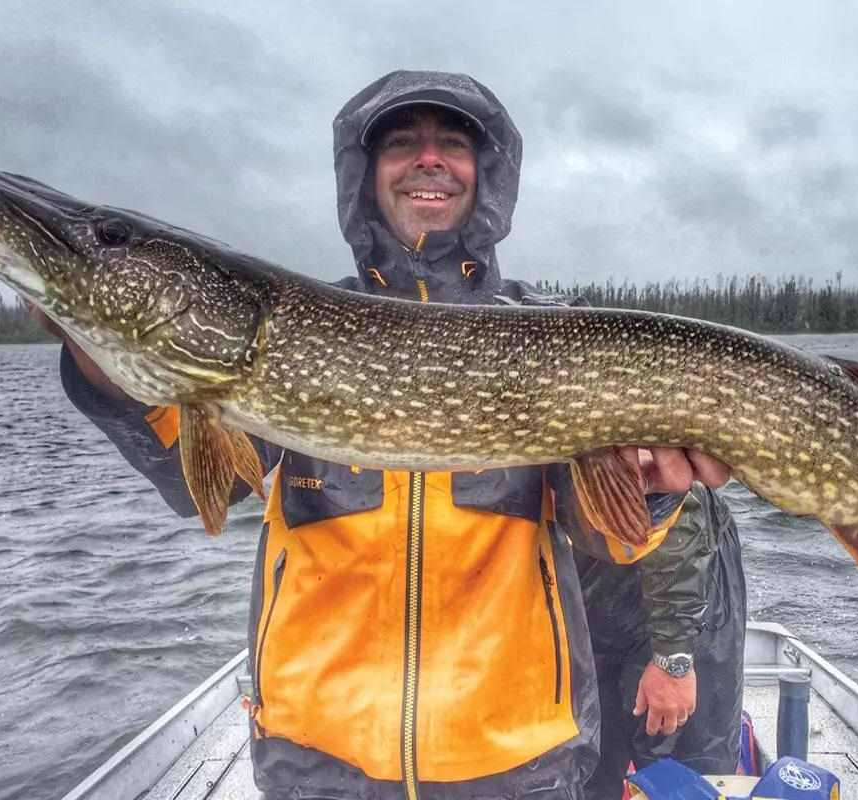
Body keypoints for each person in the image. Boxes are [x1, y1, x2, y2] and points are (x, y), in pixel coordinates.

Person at [42, 70, 732, 799]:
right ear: (366, 175)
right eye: (403, 143)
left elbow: (606, 538)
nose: (427, 159)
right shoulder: (292, 329)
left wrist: (650, 496)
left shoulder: (547, 329)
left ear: (486, 175)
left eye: (452, 145)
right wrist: (104, 359)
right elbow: (193, 482)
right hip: (318, 759)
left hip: (514, 759)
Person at [579, 483, 747, 799]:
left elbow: (675, 485)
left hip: (684, 568)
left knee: (686, 774)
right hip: (586, 557)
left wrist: (674, 656)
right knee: (588, 765)